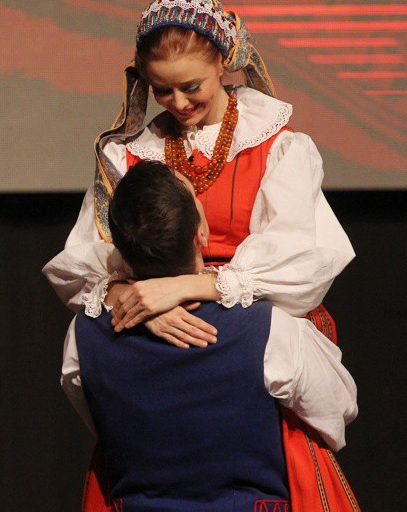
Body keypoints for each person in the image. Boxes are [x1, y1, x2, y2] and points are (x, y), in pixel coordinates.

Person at [41, 0, 357, 510]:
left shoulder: (277, 146)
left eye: (192, 87)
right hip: (156, 349)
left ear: (224, 66)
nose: (177, 103)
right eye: (161, 90)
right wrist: (134, 302)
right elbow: (83, 263)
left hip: (251, 339)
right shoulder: (127, 159)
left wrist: (186, 288)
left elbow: (300, 265)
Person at [61, 160, 357, 510]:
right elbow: (339, 408)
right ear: (201, 234)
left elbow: (101, 425)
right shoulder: (267, 330)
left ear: (120, 254)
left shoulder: (83, 337)